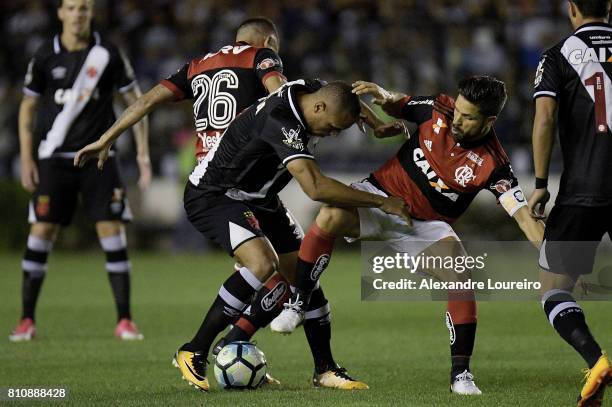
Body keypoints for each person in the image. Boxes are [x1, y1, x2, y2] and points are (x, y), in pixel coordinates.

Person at [74, 18, 381, 390]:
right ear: (269, 42)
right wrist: (365, 121)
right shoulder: (263, 58)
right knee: (265, 268)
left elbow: (147, 99)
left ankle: (309, 364)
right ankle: (202, 349)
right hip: (226, 181)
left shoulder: (196, 66)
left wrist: (107, 137)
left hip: (248, 182)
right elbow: (282, 96)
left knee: (298, 275)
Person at [271, 76, 545, 395]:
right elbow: (398, 103)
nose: (456, 119)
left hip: (423, 224)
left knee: (460, 275)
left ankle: (461, 374)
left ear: (490, 121)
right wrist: (382, 93)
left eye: (468, 117)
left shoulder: (493, 164)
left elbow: (525, 217)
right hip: (380, 196)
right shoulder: (439, 108)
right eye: (458, 110)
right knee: (330, 213)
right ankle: (298, 304)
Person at [154, 78, 408, 392]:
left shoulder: (311, 89)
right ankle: (194, 349)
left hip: (259, 198)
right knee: (262, 263)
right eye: (331, 127)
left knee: (305, 276)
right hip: (217, 195)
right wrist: (382, 202)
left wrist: (375, 123)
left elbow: (346, 95)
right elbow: (315, 188)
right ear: (318, 107)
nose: (333, 134)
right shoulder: (282, 122)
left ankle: (325, 370)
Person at [9, 0, 150, 342]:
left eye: (84, 8)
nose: (78, 14)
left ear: (91, 13)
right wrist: (27, 158)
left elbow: (137, 102)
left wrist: (143, 155)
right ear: (60, 13)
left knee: (112, 234)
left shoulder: (108, 54)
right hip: (54, 158)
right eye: (72, 8)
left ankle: (124, 321)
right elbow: (27, 108)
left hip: (98, 159)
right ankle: (26, 320)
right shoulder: (45, 55)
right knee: (41, 233)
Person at [527, 1, 612, 405]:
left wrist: (541, 183)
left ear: (571, 8)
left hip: (582, 192)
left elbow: (544, 119)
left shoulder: (557, 55)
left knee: (554, 290)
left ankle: (596, 360)